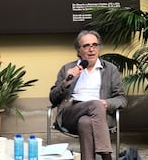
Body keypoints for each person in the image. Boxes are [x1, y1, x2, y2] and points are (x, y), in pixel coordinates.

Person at [49, 30, 127, 160]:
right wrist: (66, 82)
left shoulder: (110, 69)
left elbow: (122, 99)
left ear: (99, 49)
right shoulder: (68, 68)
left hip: (99, 116)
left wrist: (107, 103)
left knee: (85, 122)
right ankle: (106, 156)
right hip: (71, 112)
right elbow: (53, 98)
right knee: (95, 105)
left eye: (94, 45)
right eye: (86, 46)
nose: (91, 49)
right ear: (79, 51)